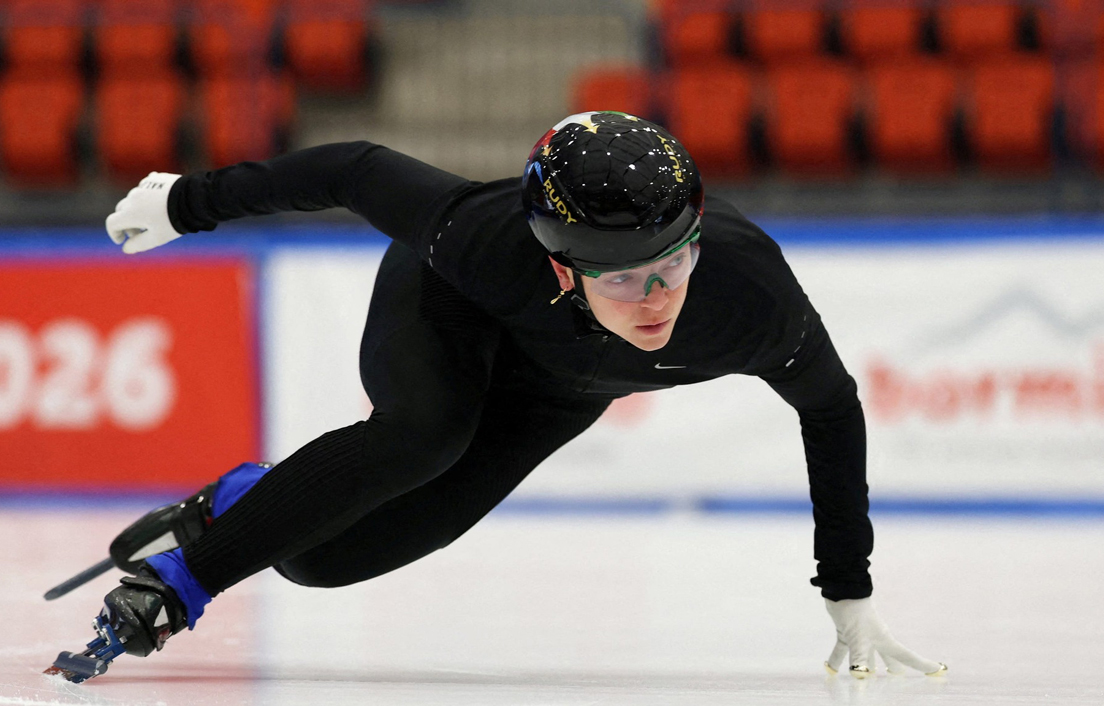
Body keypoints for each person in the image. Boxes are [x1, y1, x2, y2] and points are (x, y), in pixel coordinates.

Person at [92, 112, 945, 678]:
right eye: (622, 278)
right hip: (450, 311)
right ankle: (183, 575)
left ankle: (243, 495)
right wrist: (185, 203)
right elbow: (355, 170)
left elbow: (831, 412)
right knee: (426, 434)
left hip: (562, 387)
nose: (657, 301)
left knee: (322, 559)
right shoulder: (481, 237)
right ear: (559, 264)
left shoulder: (751, 300)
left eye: (673, 265)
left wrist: (848, 587)